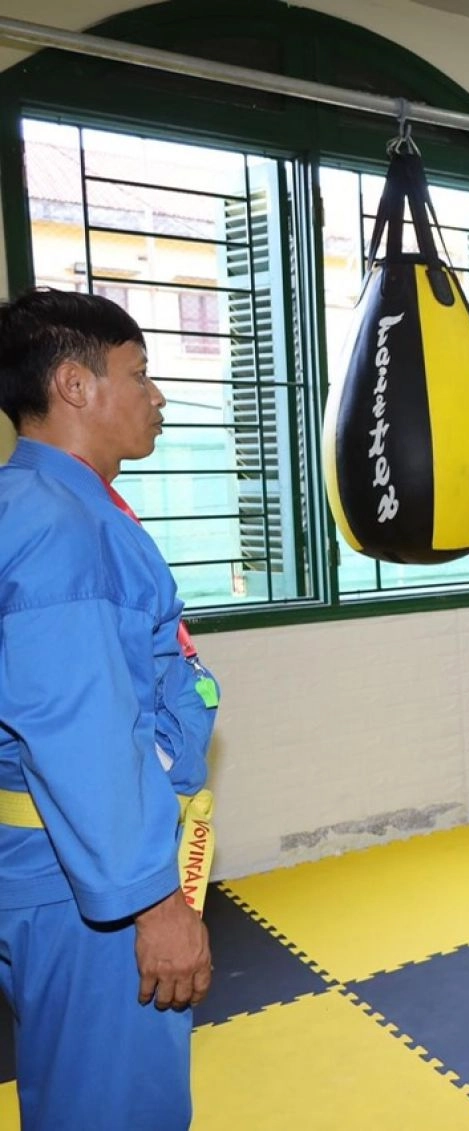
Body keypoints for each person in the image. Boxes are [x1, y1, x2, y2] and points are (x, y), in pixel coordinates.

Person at [0, 288, 214, 1130]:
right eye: (140, 374)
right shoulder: (63, 530)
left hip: (45, 867)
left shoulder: (35, 503)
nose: (157, 396)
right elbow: (81, 735)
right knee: (116, 1109)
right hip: (84, 884)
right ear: (74, 386)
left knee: (71, 1091)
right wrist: (153, 902)